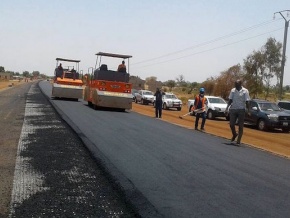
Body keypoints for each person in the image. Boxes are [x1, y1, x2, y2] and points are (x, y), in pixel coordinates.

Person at [225, 79, 250, 146]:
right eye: (235, 84)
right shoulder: (233, 90)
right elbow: (230, 100)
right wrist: (227, 108)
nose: (235, 85)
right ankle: (234, 134)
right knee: (231, 124)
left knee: (240, 125)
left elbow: (247, 101)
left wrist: (248, 110)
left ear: (240, 84)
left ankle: (238, 140)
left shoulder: (245, 91)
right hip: (233, 109)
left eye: (237, 84)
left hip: (241, 109)